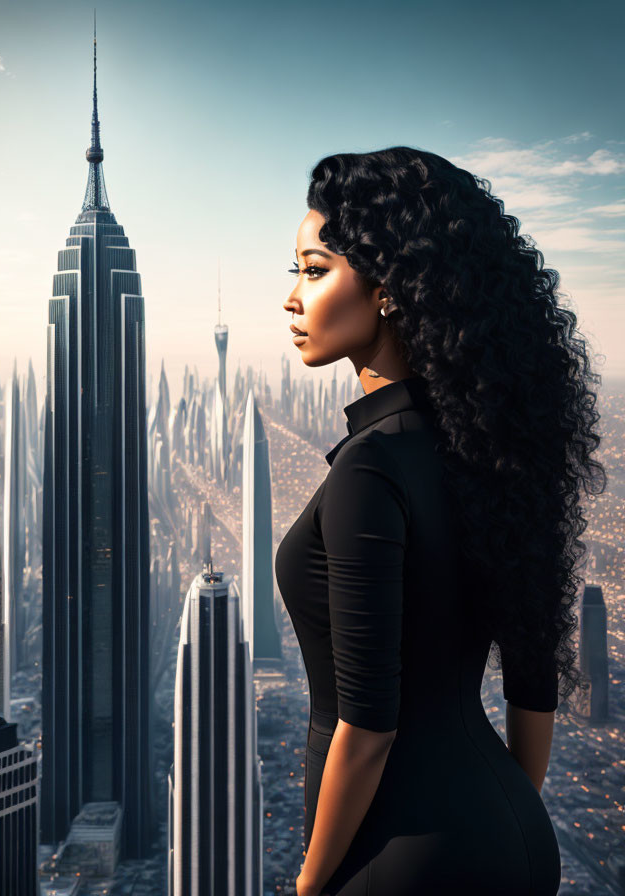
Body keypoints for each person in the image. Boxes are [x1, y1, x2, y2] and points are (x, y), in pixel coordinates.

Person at [274, 146, 606, 896]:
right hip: (513, 832)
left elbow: (367, 731)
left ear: (388, 290)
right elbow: (533, 683)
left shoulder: (371, 467)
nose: (293, 298)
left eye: (315, 269)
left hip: (404, 855)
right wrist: (502, 810)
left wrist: (309, 885)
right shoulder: (491, 454)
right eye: (293, 272)